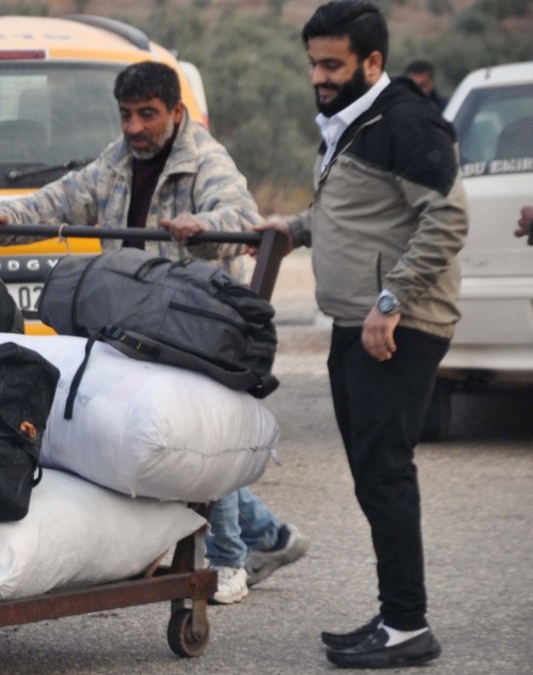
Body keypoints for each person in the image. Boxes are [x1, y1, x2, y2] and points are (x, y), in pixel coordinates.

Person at [0, 61, 307, 606]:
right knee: (170, 442)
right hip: (133, 322)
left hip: (195, 326)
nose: (134, 128)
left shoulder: (206, 161)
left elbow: (237, 216)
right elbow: (63, 197)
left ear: (177, 113)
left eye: (147, 115)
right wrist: (6, 222)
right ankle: (274, 538)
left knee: (200, 439)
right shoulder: (117, 161)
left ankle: (228, 561)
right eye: (126, 115)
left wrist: (203, 228)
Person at [256, 1, 467, 668]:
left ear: (372, 63)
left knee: (385, 474)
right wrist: (290, 229)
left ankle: (407, 624)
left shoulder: (406, 122)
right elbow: (348, 210)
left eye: (332, 64)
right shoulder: (351, 122)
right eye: (313, 62)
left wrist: (389, 301)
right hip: (361, 323)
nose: (318, 76)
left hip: (396, 327)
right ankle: (396, 613)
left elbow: (447, 222)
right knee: (374, 476)